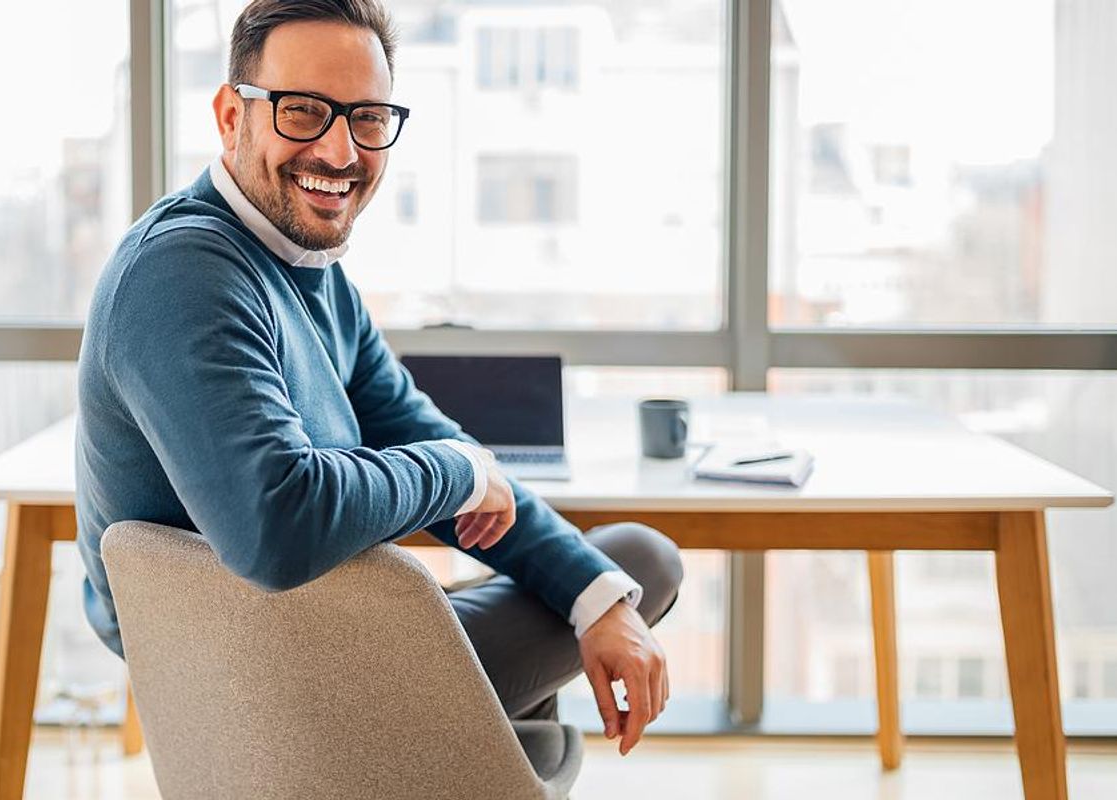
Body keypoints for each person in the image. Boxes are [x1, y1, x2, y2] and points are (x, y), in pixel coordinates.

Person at [75, 0, 683, 757]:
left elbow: (418, 431)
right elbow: (277, 528)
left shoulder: (307, 270)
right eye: (302, 112)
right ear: (232, 115)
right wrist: (459, 472)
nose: (339, 152)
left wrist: (592, 597)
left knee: (609, 578)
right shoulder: (182, 274)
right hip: (260, 686)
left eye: (367, 118)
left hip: (333, 634)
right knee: (640, 564)